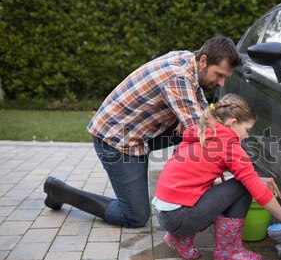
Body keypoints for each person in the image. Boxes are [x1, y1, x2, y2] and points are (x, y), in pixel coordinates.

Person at [43, 36, 241, 228]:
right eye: (219, 75)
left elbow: (202, 113)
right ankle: (60, 192)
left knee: (193, 130)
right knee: (135, 217)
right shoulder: (177, 77)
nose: (222, 82)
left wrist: (203, 127)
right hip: (117, 140)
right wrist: (243, 172)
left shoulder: (189, 62)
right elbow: (202, 132)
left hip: (139, 131)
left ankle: (186, 177)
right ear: (204, 61)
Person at [153, 93, 281, 260]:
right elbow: (256, 190)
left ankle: (179, 239)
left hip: (167, 215)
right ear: (233, 123)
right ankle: (228, 251)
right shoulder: (228, 144)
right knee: (244, 186)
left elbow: (195, 177)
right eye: (247, 130)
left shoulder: (203, 132)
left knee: (241, 182)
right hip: (180, 219)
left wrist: (255, 178)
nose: (247, 136)